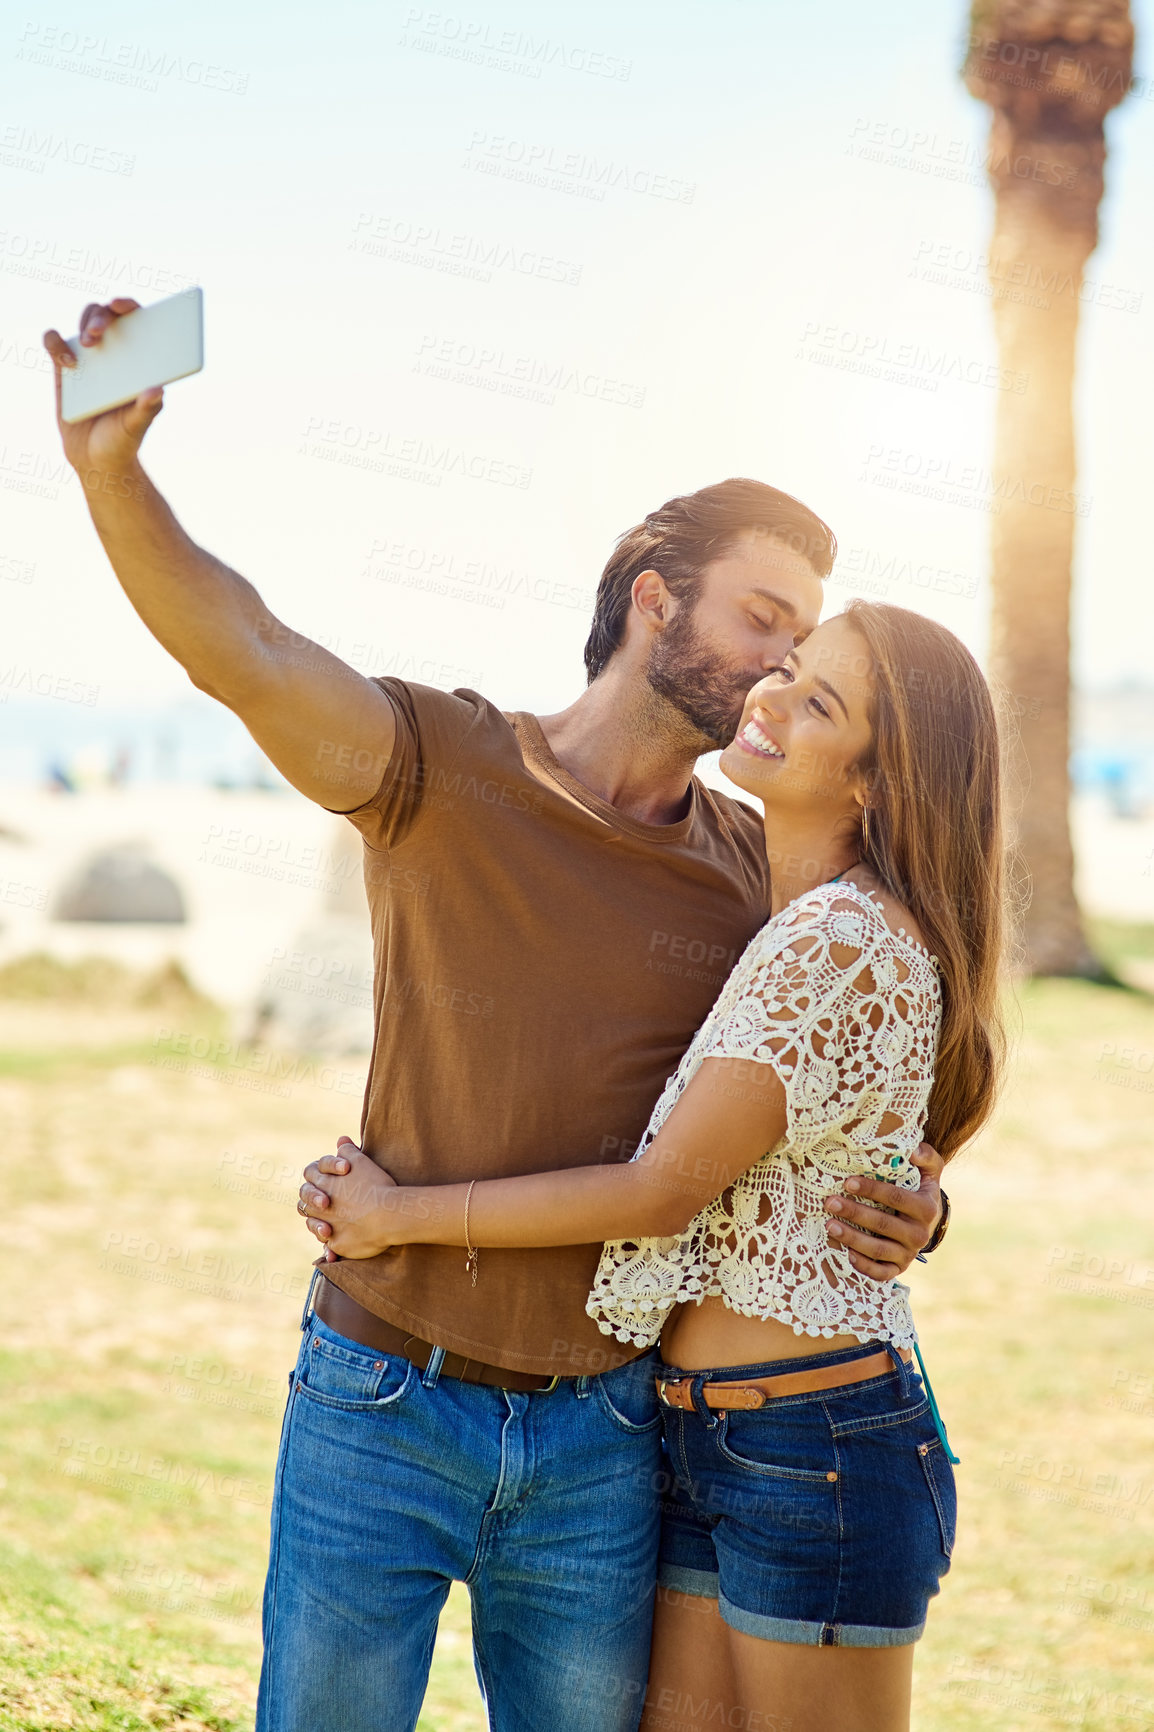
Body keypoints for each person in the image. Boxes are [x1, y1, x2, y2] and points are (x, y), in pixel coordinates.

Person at [43, 299, 946, 1732]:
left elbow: (856, 1063)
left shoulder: (755, 876)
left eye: (799, 647)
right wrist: (111, 476)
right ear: (653, 594)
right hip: (377, 1399)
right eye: (759, 619)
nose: (778, 666)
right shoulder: (438, 762)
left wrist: (914, 1193)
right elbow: (246, 651)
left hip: (606, 1437)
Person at [299, 600, 1005, 1732]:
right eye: (785, 666)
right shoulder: (775, 913)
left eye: (815, 701)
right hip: (693, 1433)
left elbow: (660, 1186)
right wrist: (918, 1199)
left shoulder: (837, 939)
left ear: (877, 783)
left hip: (808, 1447)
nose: (768, 695)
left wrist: (397, 1216)